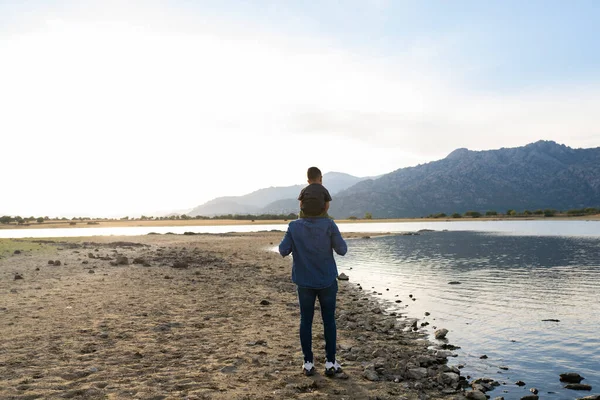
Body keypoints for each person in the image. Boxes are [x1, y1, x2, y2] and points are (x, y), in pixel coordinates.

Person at [278, 212, 348, 376]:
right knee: (329, 320)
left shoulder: (294, 226)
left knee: (306, 320)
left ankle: (308, 363)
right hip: (327, 281)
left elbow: (282, 250)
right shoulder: (329, 224)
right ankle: (330, 362)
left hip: (304, 282)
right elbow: (342, 250)